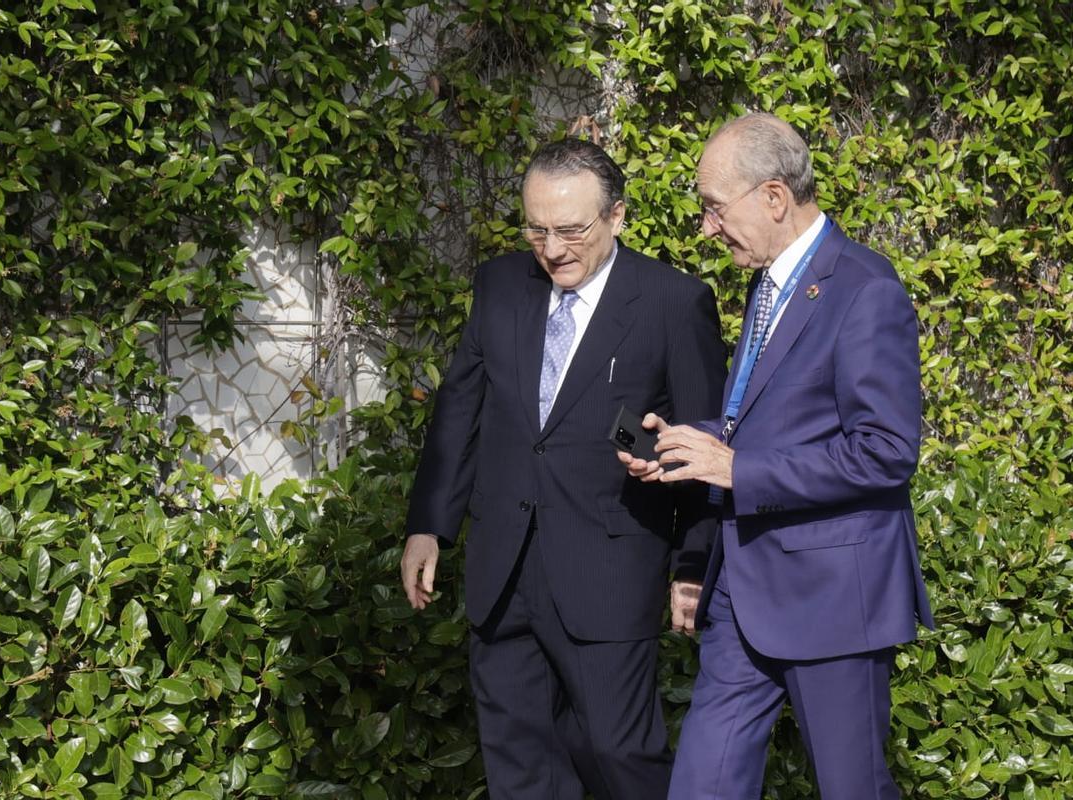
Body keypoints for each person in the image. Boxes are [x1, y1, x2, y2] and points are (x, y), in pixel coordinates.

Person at [619, 113, 934, 799]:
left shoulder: (866, 289)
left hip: (833, 601)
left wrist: (737, 471)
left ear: (772, 197)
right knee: (702, 785)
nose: (705, 227)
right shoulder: (765, 282)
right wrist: (682, 445)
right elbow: (767, 420)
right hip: (743, 595)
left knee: (851, 788)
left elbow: (885, 452)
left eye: (712, 207)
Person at [400, 138, 727, 799]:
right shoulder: (499, 285)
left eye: (571, 230)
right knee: (520, 766)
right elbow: (461, 405)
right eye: (537, 229)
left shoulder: (674, 302)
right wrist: (428, 525)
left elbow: (704, 445)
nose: (552, 249)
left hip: (608, 573)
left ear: (617, 216)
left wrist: (693, 565)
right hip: (502, 571)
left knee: (620, 756)